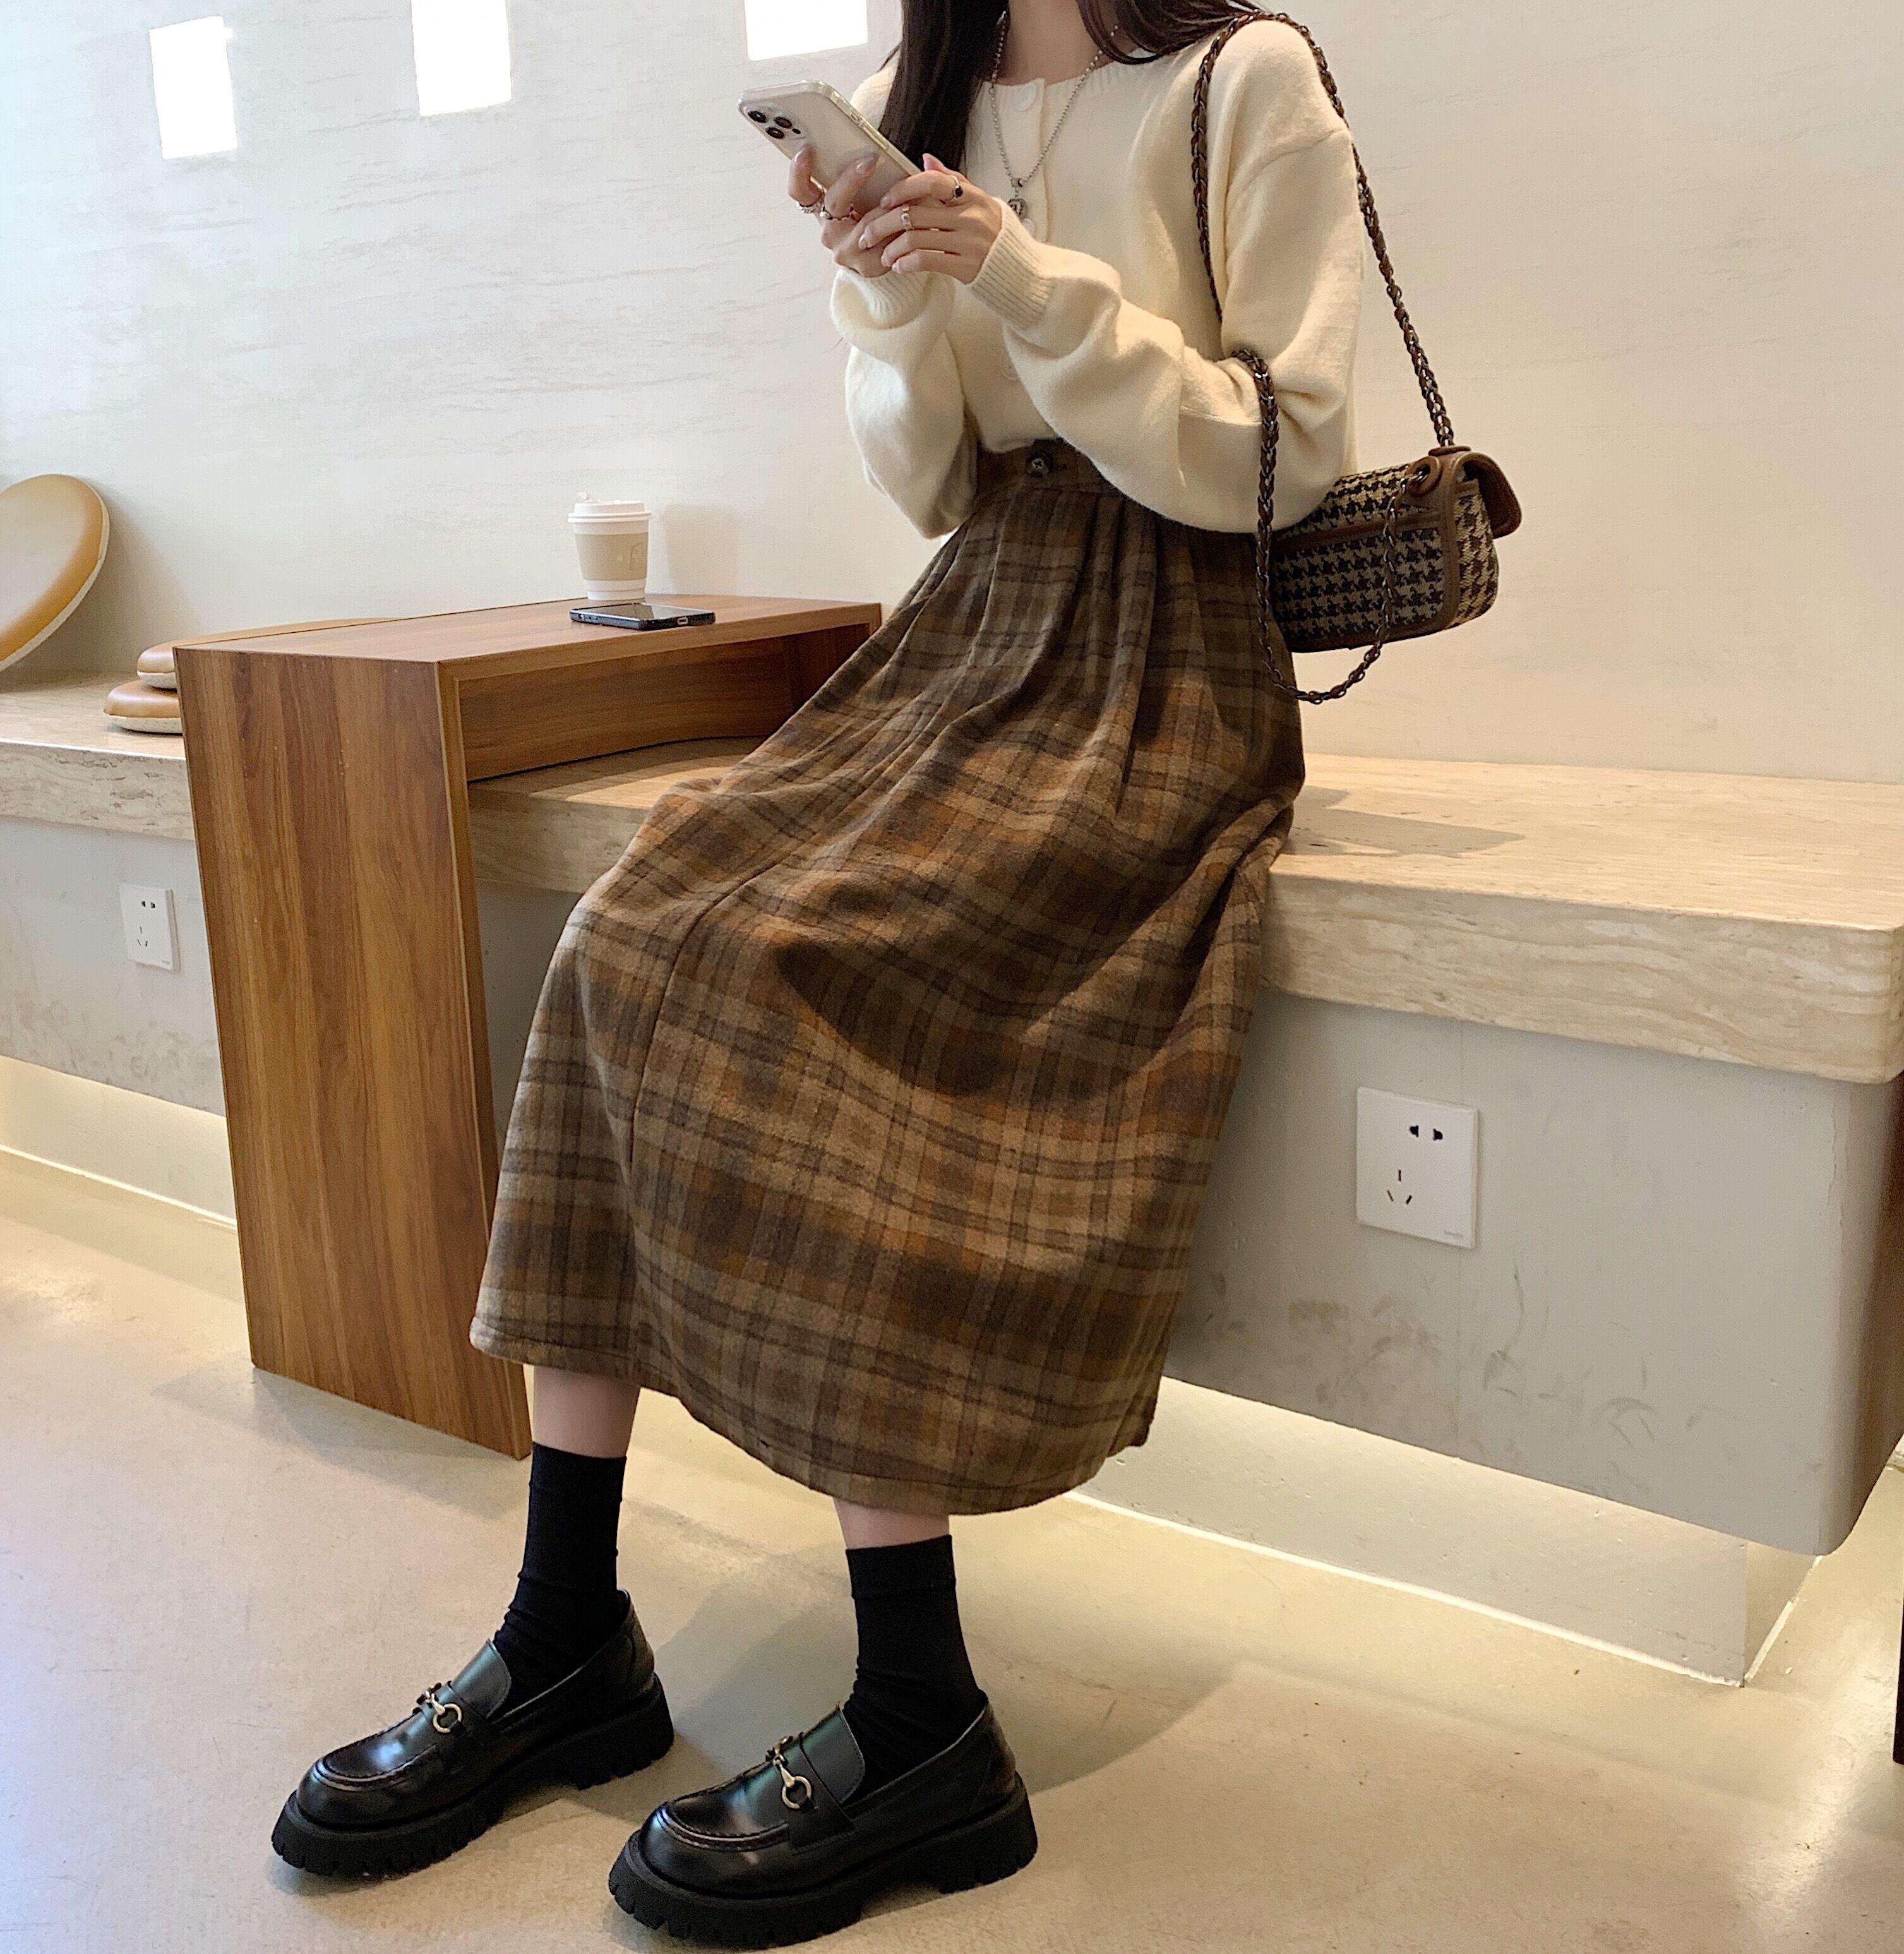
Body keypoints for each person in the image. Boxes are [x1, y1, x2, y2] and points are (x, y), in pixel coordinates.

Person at [271, 1, 1363, 1942]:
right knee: (632, 936)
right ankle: (565, 1635)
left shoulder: (1244, 78)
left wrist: (1015, 270)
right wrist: (885, 294)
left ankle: (926, 1717)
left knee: (802, 961)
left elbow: (1274, 461)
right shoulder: (898, 104)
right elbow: (932, 484)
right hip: (969, 627)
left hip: (1165, 665)